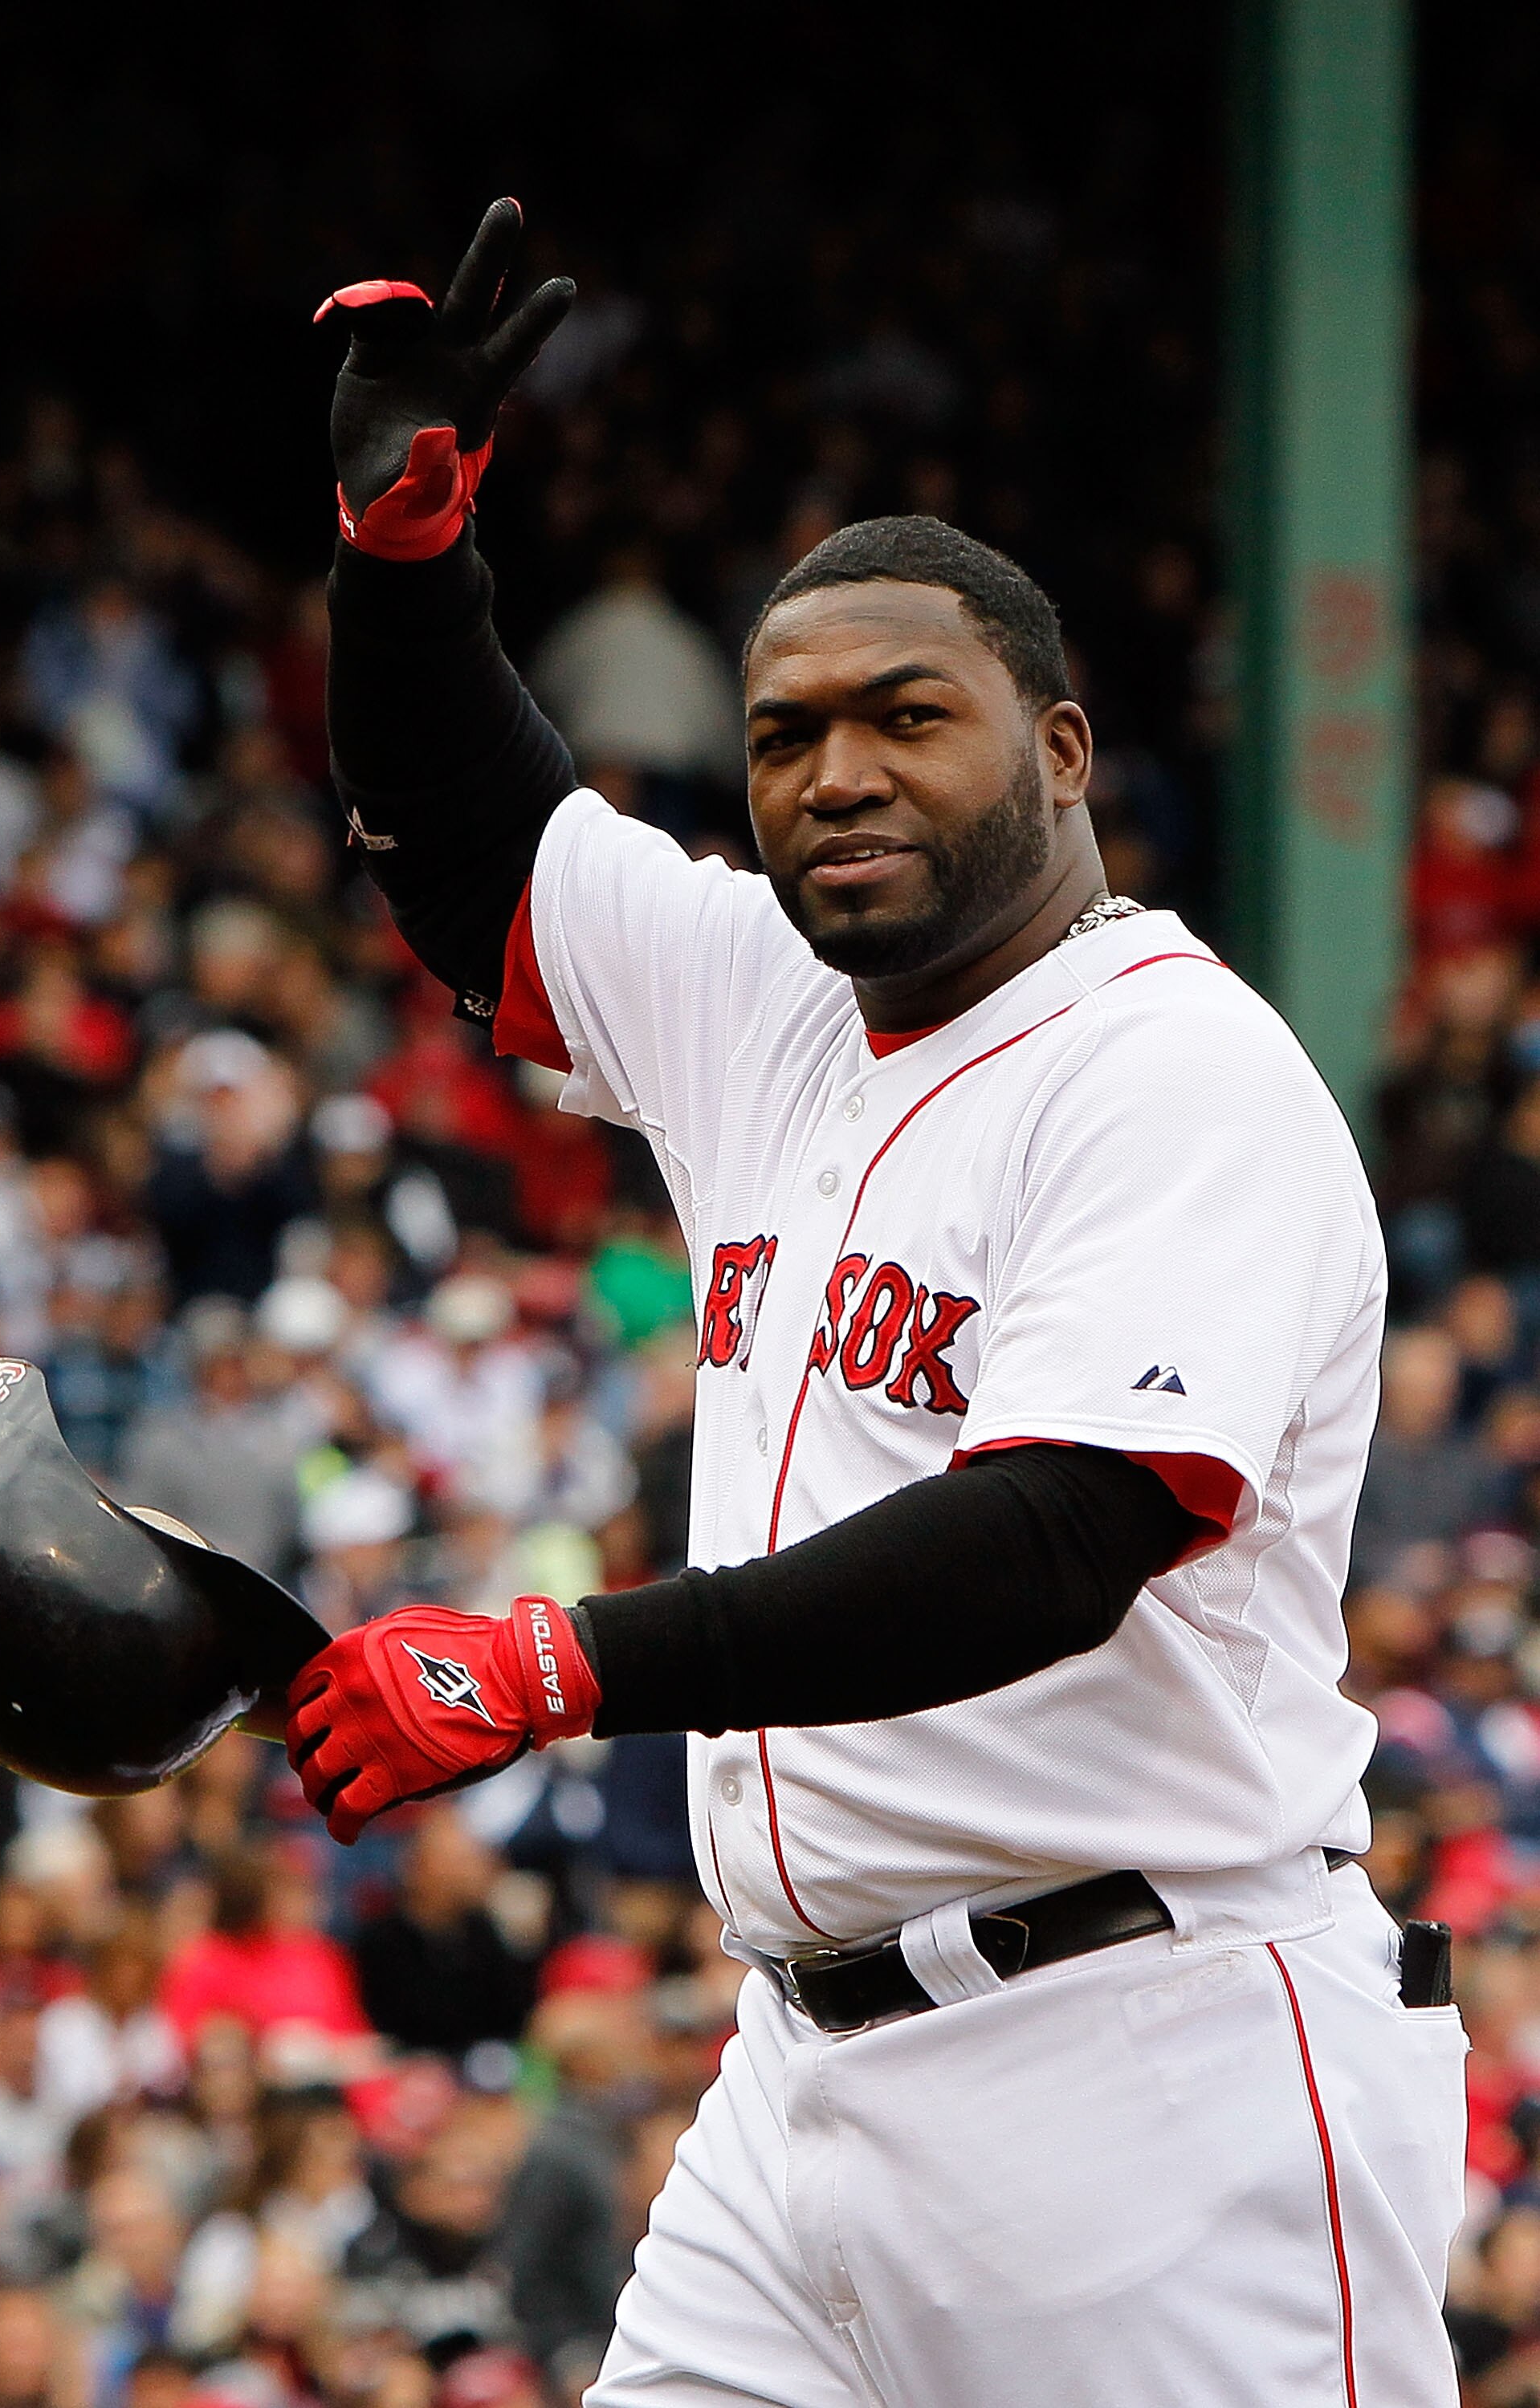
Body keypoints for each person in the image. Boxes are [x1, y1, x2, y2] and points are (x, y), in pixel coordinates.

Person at [306, 202, 1469, 2404]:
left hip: (1156, 2063)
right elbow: (471, 842)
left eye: (903, 718)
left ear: (1059, 751)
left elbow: (1052, 1537)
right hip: (797, 2090)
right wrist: (405, 552)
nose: (833, 771)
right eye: (785, 732)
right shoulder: (768, 996)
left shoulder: (1172, 1066)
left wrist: (566, 1661)